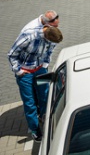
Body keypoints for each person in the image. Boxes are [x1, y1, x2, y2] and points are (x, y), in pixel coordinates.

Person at [7, 11, 63, 142]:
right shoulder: (28, 36)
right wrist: (18, 71)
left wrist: (45, 64)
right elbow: (11, 54)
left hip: (40, 70)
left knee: (45, 96)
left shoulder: (53, 35)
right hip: (25, 73)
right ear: (45, 35)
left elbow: (49, 51)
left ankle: (45, 119)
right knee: (30, 103)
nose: (52, 45)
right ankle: (35, 130)